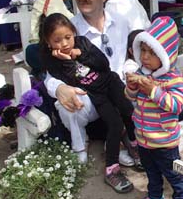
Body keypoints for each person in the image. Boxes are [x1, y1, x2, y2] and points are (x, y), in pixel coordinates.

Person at [44, 0, 150, 181]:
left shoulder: (120, 21)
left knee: (141, 103)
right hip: (93, 93)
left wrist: (131, 72)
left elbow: (132, 56)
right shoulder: (67, 30)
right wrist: (61, 88)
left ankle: (127, 142)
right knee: (70, 105)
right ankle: (87, 146)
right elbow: (51, 73)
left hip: (120, 88)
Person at [40, 14, 138, 182]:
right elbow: (72, 80)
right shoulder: (53, 62)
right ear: (49, 43)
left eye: (67, 37)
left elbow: (103, 64)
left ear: (73, 32)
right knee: (114, 124)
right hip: (96, 94)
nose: (64, 43)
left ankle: (134, 144)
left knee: (128, 109)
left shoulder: (82, 43)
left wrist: (81, 54)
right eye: (57, 41)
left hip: (110, 81)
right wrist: (68, 60)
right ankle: (111, 168)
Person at [126, 16, 183, 199]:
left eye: (152, 53)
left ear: (167, 55)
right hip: (143, 137)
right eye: (143, 50)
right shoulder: (140, 73)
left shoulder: (174, 79)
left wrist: (153, 91)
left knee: (172, 172)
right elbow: (131, 97)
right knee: (151, 170)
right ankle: (155, 195)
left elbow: (176, 106)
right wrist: (132, 87)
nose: (145, 57)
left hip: (164, 140)